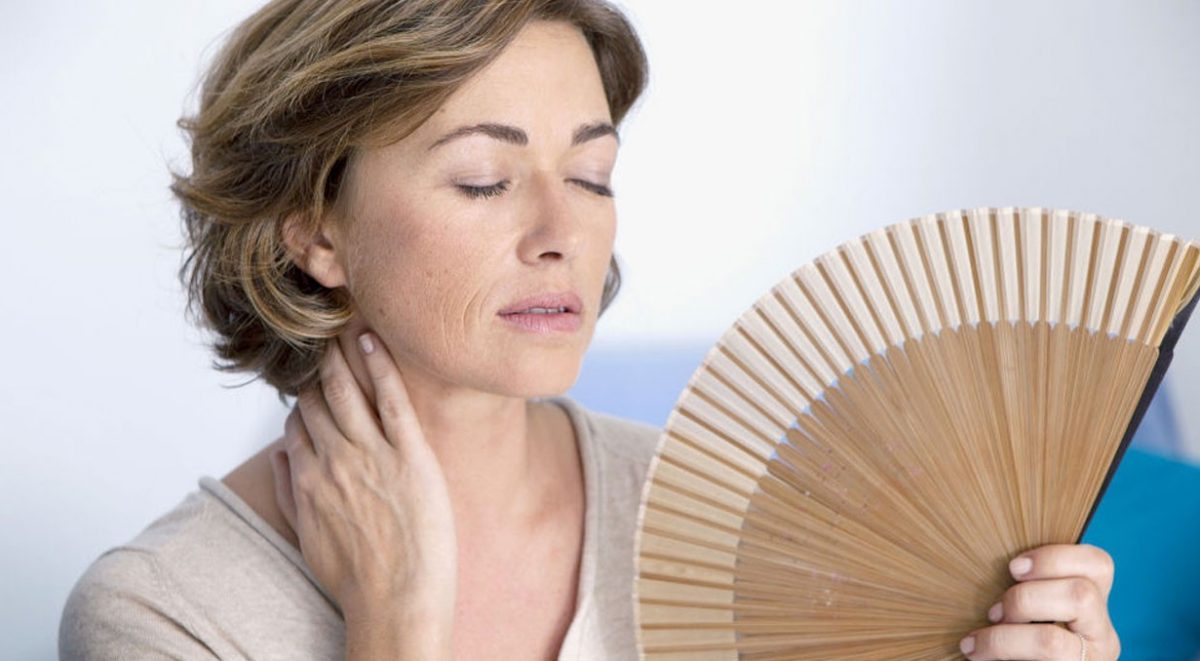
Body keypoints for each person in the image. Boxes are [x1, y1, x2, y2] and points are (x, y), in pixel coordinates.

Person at [58, 1, 1122, 659]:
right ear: (315, 230)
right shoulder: (163, 612)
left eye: (592, 174)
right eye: (485, 179)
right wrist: (396, 627)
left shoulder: (732, 518)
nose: (563, 233)